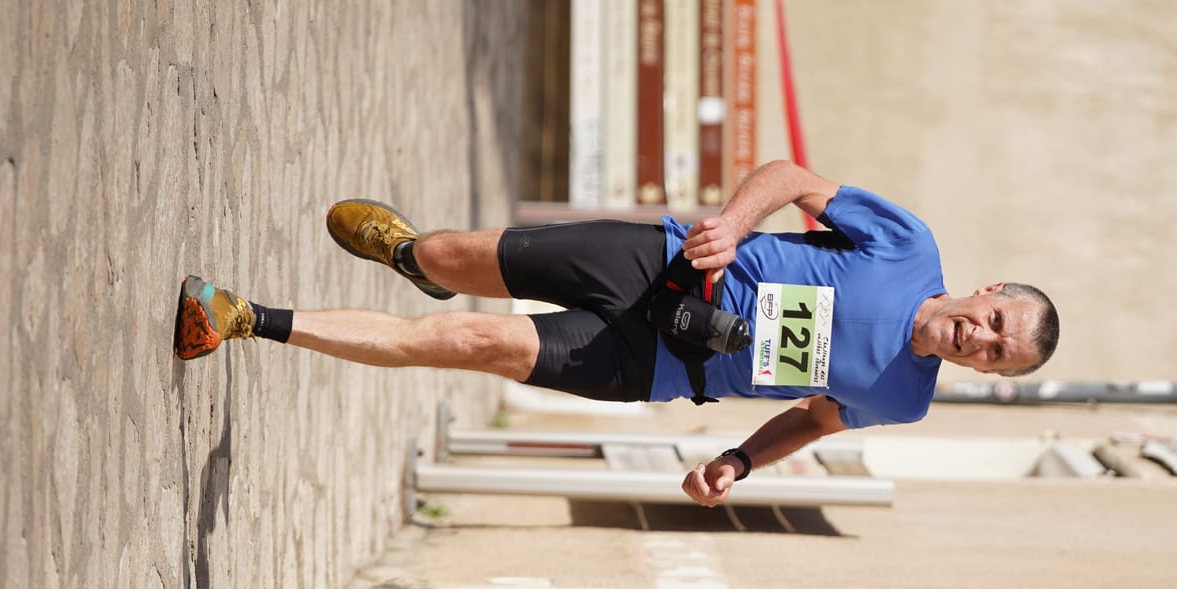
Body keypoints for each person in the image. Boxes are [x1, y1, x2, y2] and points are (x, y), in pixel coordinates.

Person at [175, 159, 1059, 506]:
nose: (980, 339)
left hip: (657, 364)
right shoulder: (909, 246)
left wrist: (740, 461)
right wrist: (731, 224)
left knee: (474, 343)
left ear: (989, 373)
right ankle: (414, 254)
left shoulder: (903, 400)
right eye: (994, 321)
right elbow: (792, 177)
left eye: (996, 354)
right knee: (449, 256)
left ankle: (244, 318)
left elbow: (815, 417)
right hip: (658, 263)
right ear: (987, 291)